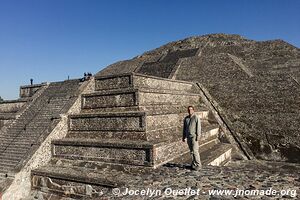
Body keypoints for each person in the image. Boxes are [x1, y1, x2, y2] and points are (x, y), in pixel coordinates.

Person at [182, 105, 202, 170]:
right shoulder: (186, 118)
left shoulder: (196, 117)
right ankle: (193, 164)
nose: (190, 111)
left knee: (195, 151)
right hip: (188, 137)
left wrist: (198, 136)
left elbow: (198, 127)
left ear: (193, 110)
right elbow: (184, 128)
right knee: (191, 151)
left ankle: (198, 165)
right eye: (188, 110)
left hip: (194, 137)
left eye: (191, 109)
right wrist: (184, 136)